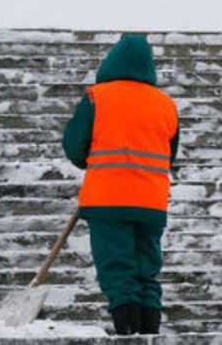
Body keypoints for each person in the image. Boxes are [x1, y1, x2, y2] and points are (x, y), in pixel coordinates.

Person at [62, 34, 179, 336]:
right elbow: (170, 154)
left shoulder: (98, 96)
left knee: (118, 270)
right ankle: (150, 333)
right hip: (151, 203)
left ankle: (128, 334)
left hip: (108, 200)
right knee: (146, 271)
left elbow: (75, 146)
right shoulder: (166, 104)